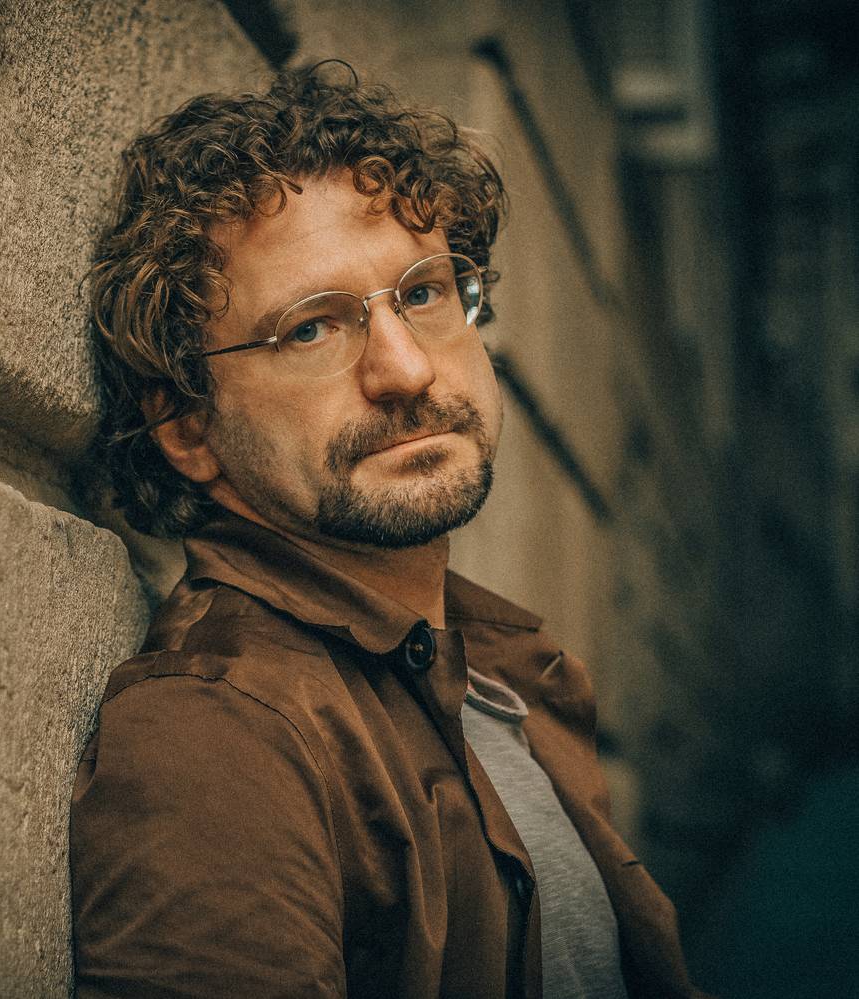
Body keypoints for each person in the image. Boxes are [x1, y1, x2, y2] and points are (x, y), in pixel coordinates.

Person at [70, 64, 705, 999]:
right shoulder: (218, 732)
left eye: (423, 293)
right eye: (310, 329)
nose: (405, 369)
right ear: (188, 426)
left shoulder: (505, 670)